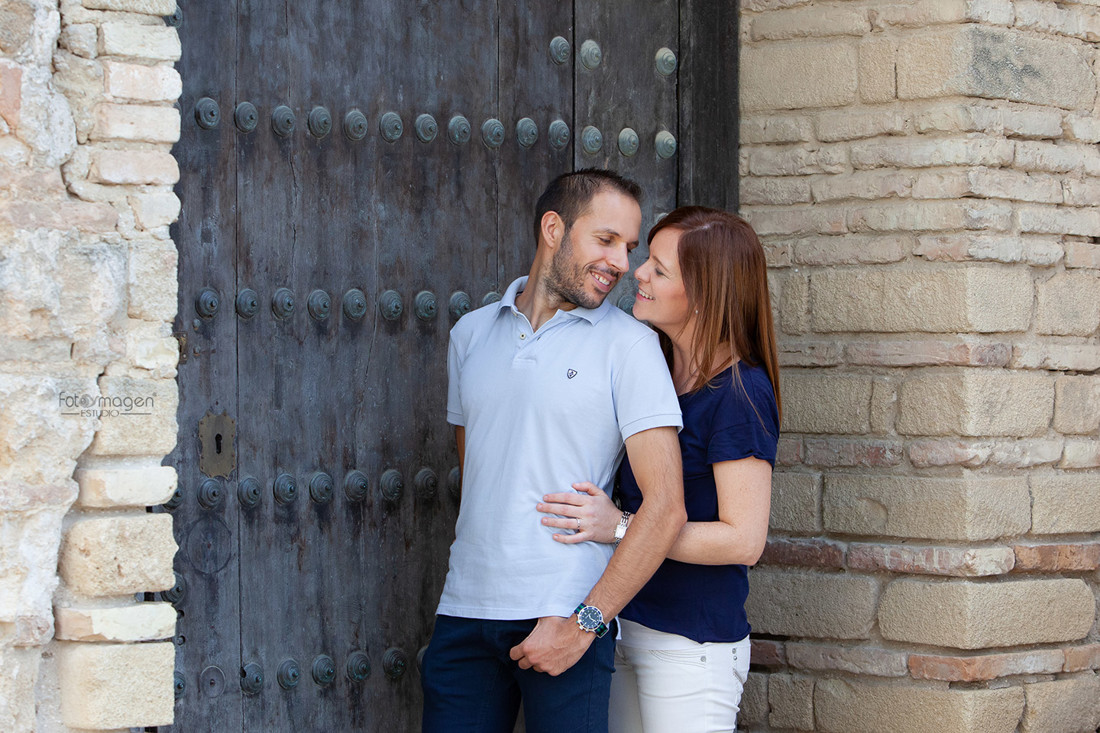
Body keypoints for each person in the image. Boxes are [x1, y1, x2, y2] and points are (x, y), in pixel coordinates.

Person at [421, 169, 688, 733]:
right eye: (606, 240)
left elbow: (666, 509)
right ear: (553, 228)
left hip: (563, 614)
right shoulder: (470, 335)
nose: (621, 262)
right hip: (464, 614)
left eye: (630, 247)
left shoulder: (631, 345)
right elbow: (479, 477)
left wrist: (585, 623)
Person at [536, 206, 781, 732]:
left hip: (691, 647)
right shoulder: (653, 371)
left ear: (707, 293)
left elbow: (743, 541)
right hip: (624, 627)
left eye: (660, 270)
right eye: (647, 260)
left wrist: (620, 525)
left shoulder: (740, 394)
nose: (638, 272)